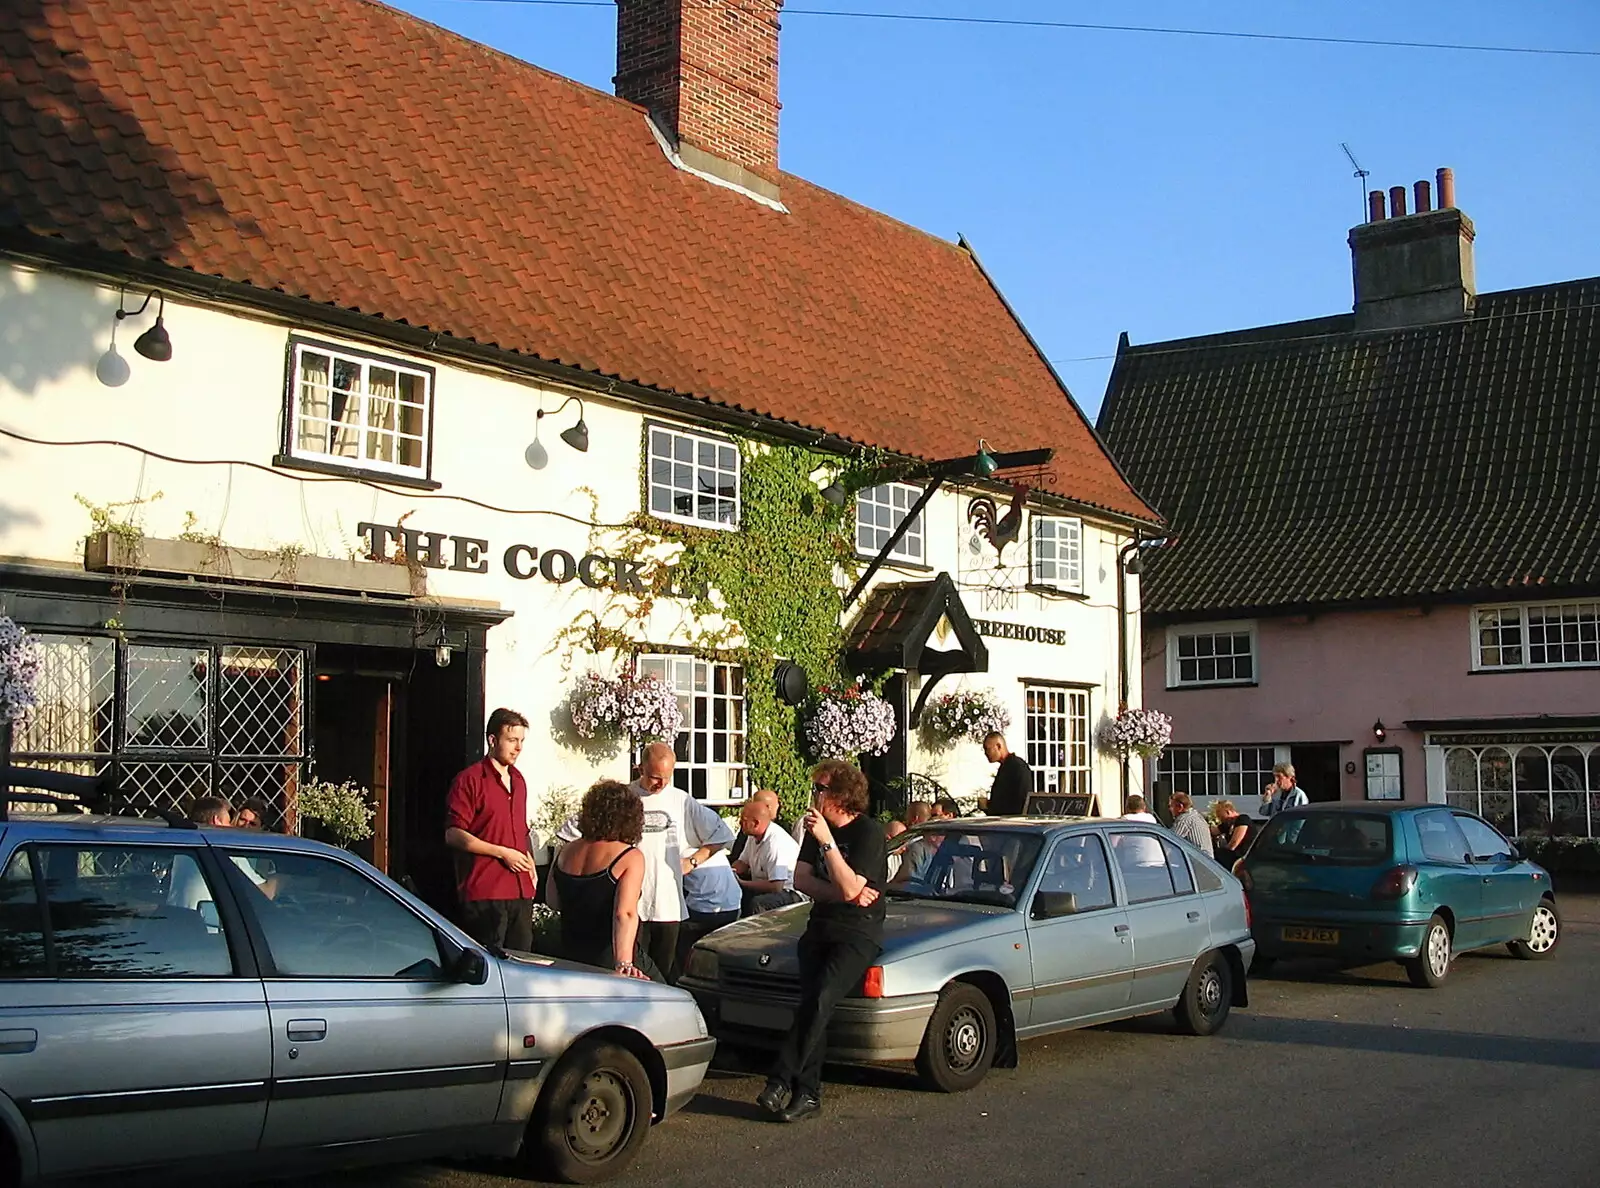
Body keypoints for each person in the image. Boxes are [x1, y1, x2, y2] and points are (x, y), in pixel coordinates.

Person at [758, 760, 887, 1124]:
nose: (813, 795)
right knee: (812, 1008)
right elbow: (802, 880)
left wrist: (829, 848)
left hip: (857, 934)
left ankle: (779, 1080)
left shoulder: (867, 834)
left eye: (820, 788)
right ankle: (808, 1093)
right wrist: (842, 891)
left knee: (821, 997)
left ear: (841, 795)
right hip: (820, 927)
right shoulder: (813, 831)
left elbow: (850, 889)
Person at [559, 741, 733, 982]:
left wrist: (692, 861)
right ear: (640, 768)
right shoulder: (623, 799)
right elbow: (570, 834)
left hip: (667, 904)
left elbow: (721, 835)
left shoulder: (681, 800)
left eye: (666, 777)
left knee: (664, 975)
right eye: (654, 777)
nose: (660, 784)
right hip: (629, 907)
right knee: (629, 976)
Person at [444, 708, 537, 952]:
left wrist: (530, 862)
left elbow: (520, 830)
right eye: (512, 740)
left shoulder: (519, 780)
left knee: (523, 965)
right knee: (490, 966)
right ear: (492, 740)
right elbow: (454, 834)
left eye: (521, 741)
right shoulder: (470, 780)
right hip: (486, 891)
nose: (518, 748)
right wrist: (502, 853)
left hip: (520, 890)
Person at [548, 779, 658, 980]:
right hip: (609, 956)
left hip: (570, 955)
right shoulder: (629, 857)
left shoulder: (565, 851)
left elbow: (553, 901)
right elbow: (624, 914)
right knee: (672, 999)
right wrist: (624, 963)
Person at [734, 792, 804, 914]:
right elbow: (742, 864)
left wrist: (743, 883)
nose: (740, 823)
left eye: (743, 820)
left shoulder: (775, 843)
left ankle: (758, 933)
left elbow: (776, 886)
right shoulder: (752, 836)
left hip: (790, 893)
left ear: (756, 823)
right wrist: (727, 873)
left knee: (759, 903)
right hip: (769, 887)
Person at [983, 732, 1033, 816]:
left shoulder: (1018, 766)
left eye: (987, 749)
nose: (986, 753)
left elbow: (1023, 799)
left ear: (998, 746)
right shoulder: (1005, 767)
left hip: (1012, 823)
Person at [1212, 799, 1256, 869]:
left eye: (1221, 817)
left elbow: (1234, 843)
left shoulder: (1242, 819)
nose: (1220, 820)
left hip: (1244, 857)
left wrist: (1223, 851)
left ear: (1228, 812)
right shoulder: (1227, 825)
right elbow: (1213, 831)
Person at [1168, 791, 1214, 857]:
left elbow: (1171, 839)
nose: (1170, 809)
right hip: (1206, 860)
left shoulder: (1185, 819)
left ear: (1180, 807)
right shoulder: (1196, 815)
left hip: (1198, 860)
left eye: (1171, 806)